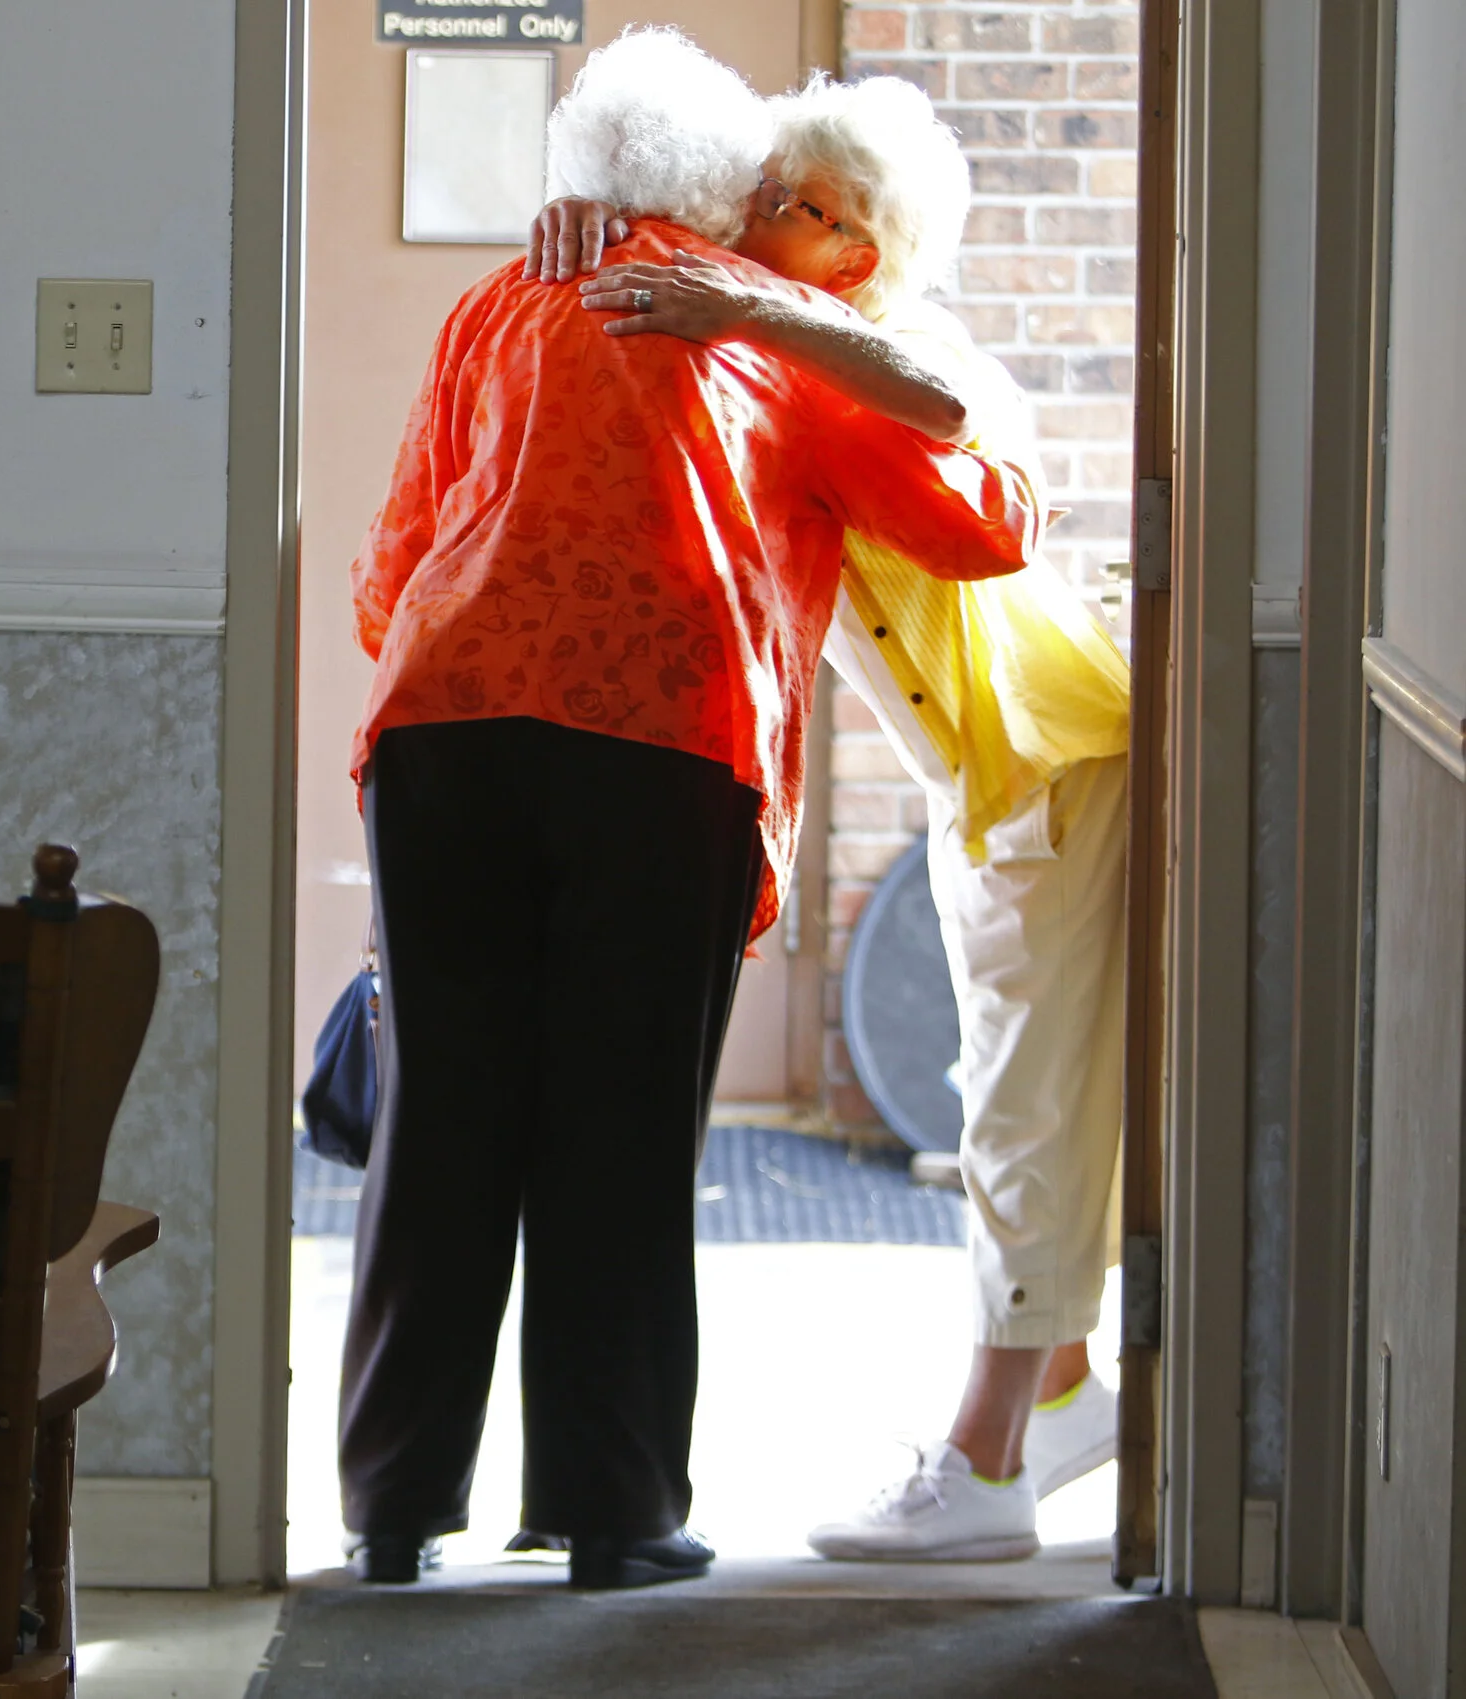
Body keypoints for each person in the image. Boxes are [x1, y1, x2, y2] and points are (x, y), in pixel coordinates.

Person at [337, 31, 1043, 1590]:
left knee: (444, 1117)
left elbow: (392, 567)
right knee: (623, 1130)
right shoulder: (777, 339)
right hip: (659, 745)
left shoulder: (504, 297)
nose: (770, 209)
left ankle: (393, 1507)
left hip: (445, 733)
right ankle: (614, 1511)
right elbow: (987, 522)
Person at [526, 57, 1132, 1563]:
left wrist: (752, 305)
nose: (749, 219)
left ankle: (991, 1465)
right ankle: (1050, 1387)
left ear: (852, 252)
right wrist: (582, 212)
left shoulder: (900, 347)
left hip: (1052, 757)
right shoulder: (788, 344)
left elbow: (979, 462)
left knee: (1026, 1105)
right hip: (1000, 770)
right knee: (1021, 1081)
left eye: (786, 205)